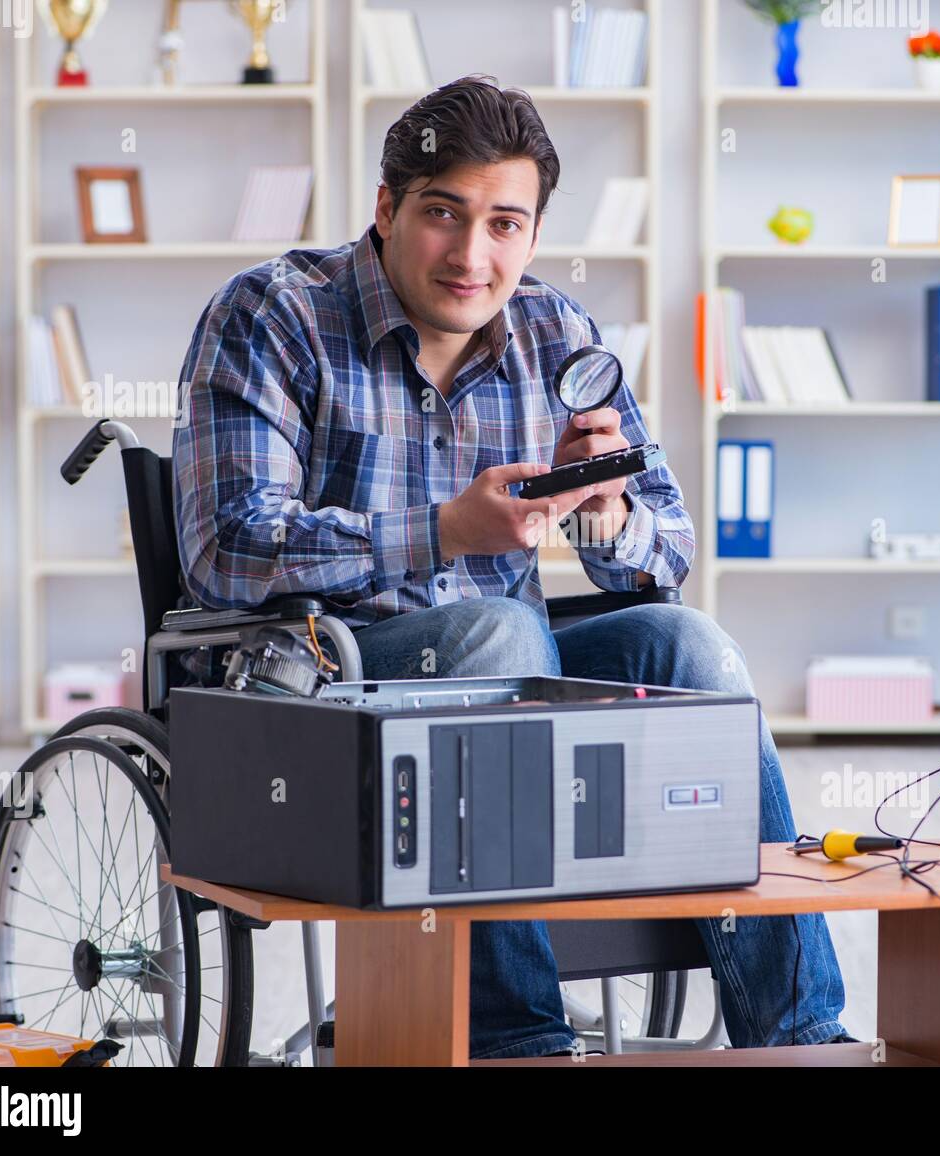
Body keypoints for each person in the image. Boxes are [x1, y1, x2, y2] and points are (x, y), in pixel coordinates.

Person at [172, 75, 850, 1059]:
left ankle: (799, 1039)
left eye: (504, 223)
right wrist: (441, 531)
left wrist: (603, 506)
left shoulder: (555, 332)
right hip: (313, 681)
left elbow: (668, 551)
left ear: (532, 233)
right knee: (501, 632)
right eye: (443, 214)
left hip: (504, 684)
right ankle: (517, 1041)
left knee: (686, 645)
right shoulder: (271, 313)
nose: (472, 254)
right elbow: (226, 548)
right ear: (387, 207)